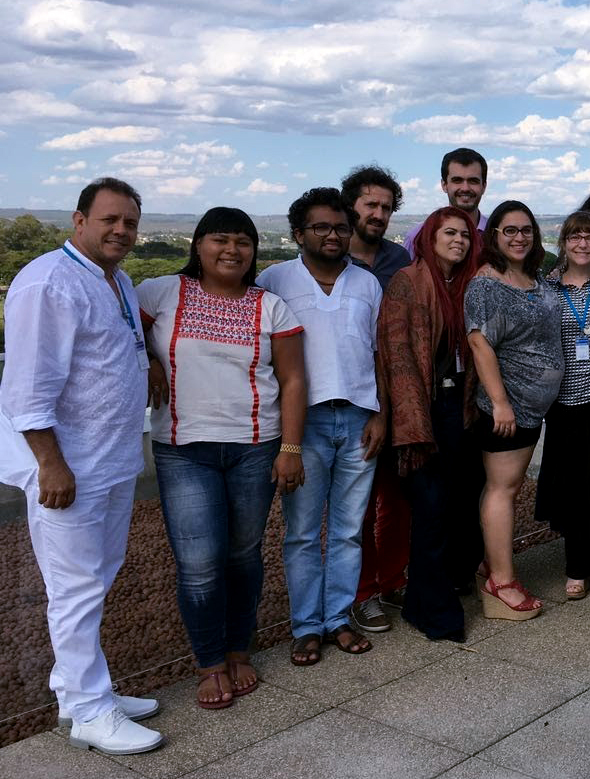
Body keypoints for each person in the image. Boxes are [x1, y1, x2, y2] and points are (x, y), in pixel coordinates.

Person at [0, 178, 164, 754]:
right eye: (109, 220)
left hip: (110, 460)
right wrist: (50, 463)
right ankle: (91, 712)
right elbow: (27, 387)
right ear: (78, 220)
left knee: (96, 579)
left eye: (130, 223)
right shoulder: (48, 282)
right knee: (74, 589)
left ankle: (78, 692)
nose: (121, 231)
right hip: (67, 467)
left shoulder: (115, 279)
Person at [136, 207, 306, 708]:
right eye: (220, 239)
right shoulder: (160, 293)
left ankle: (238, 649)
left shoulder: (270, 306)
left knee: (243, 554)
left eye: (243, 242)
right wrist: (147, 358)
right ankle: (209, 663)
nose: (231, 250)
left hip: (256, 446)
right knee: (198, 562)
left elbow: (293, 380)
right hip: (184, 449)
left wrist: (290, 448)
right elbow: (117, 331)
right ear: (198, 245)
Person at [257, 187, 386, 666]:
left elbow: (379, 355)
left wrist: (381, 414)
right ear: (298, 233)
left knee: (349, 530)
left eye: (341, 228)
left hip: (358, 419)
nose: (333, 235)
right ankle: (306, 626)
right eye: (321, 227)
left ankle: (338, 618)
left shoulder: (366, 284)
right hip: (303, 422)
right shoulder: (275, 280)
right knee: (303, 532)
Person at [377, 206, 485, 642]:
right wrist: (413, 424)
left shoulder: (468, 284)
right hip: (421, 410)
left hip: (461, 407)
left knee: (456, 509)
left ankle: (421, 602)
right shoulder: (408, 282)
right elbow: (397, 356)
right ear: (430, 237)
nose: (458, 240)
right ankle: (439, 615)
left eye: (465, 234)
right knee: (431, 510)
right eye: (449, 233)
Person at [466, 200, 564, 620]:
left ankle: (491, 566)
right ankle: (501, 583)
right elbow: (479, 343)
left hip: (531, 409)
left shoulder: (533, 277)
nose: (519, 237)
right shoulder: (487, 284)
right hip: (508, 409)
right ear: (494, 236)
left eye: (526, 230)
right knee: (502, 489)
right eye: (510, 230)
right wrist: (501, 402)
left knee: (508, 486)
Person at [533, 212, 590, 602]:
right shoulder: (546, 288)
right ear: (564, 243)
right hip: (562, 400)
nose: (583, 244)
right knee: (570, 486)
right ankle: (576, 566)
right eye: (575, 237)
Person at [340, 165, 414, 634]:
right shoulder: (331, 255)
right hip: (351, 397)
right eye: (371, 204)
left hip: (398, 394)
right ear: (351, 205)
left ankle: (392, 579)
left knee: (400, 497)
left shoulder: (398, 260)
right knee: (358, 505)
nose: (379, 214)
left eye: (386, 207)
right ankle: (361, 592)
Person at [404, 148, 488, 261]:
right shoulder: (418, 237)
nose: (465, 188)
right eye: (457, 180)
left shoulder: (497, 236)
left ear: (484, 186)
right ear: (444, 185)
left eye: (473, 181)